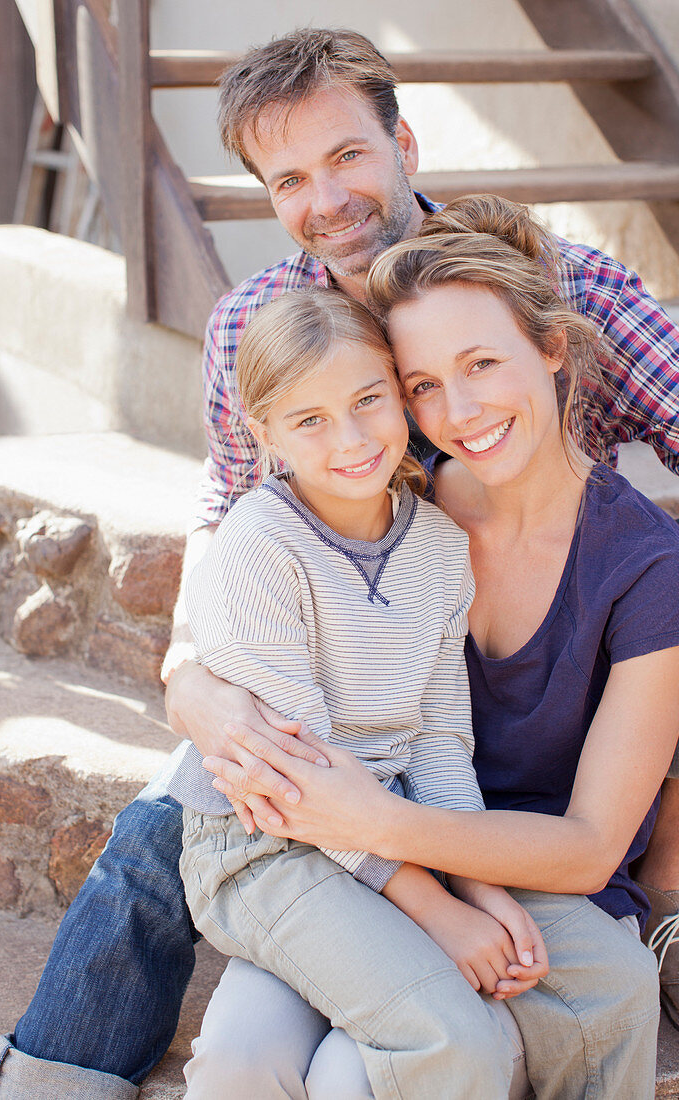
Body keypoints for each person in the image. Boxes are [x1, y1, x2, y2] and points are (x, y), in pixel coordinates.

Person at [0, 27, 679, 1100]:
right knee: (176, 816)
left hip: (503, 675)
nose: (326, 199)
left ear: (403, 140)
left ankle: (677, 889)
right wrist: (192, 679)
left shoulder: (556, 286)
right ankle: (50, 1079)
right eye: (290, 179)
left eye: (348, 157)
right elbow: (228, 519)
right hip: (324, 673)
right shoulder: (257, 326)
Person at [184, 194, 679, 1098]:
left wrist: (398, 840)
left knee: (364, 1071)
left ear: (554, 348)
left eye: (482, 363)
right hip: (325, 853)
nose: (456, 410)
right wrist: (191, 688)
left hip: (504, 866)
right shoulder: (390, 497)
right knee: (239, 1059)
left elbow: (578, 844)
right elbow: (257, 633)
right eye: (422, 384)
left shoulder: (646, 568)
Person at [171, 285, 552, 1098]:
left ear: (399, 392)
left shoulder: (440, 546)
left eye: (367, 401)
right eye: (309, 420)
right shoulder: (255, 548)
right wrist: (440, 910)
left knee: (259, 1060)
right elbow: (298, 782)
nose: (349, 439)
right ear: (263, 434)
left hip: (385, 829)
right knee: (451, 1035)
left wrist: (477, 882)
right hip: (268, 843)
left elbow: (442, 734)